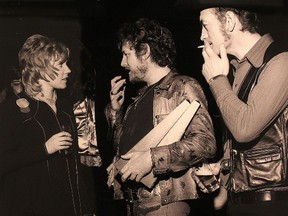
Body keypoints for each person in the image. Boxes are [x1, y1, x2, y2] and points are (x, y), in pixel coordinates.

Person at [105, 18, 216, 216]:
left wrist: (152, 158)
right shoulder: (138, 98)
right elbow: (121, 146)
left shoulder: (183, 87)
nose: (123, 63)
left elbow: (205, 143)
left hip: (163, 205)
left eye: (126, 54)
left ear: (145, 51)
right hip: (134, 205)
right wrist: (115, 112)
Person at [192, 1, 288, 216]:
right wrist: (222, 166)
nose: (201, 36)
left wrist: (217, 79)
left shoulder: (281, 62)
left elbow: (245, 129)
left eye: (205, 26)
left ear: (229, 21)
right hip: (243, 203)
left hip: (272, 206)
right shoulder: (237, 69)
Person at [0, 34, 96, 215]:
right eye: (60, 65)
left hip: (68, 207)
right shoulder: (11, 109)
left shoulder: (66, 107)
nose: (68, 70)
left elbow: (77, 165)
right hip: (34, 206)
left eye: (66, 63)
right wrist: (44, 149)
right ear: (39, 69)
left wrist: (86, 207)